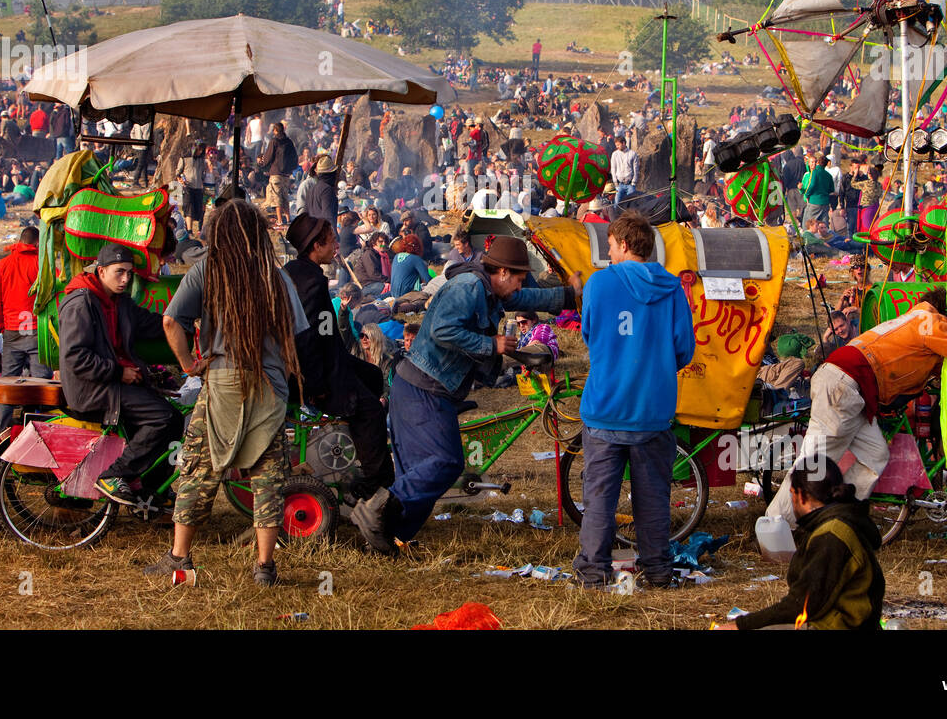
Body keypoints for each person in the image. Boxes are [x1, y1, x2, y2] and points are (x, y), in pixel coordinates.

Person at [351, 236, 582, 555]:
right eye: (516, 278)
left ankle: (383, 538)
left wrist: (570, 295)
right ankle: (374, 511)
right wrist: (492, 345)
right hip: (424, 388)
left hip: (422, 387)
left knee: (421, 479)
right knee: (445, 463)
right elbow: (443, 331)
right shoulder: (469, 287)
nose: (518, 286)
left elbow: (527, 296)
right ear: (501, 272)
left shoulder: (489, 290)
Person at [765, 286, 947, 527]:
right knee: (815, 463)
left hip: (850, 387)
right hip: (844, 384)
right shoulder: (931, 321)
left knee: (875, 454)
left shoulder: (914, 320)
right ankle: (776, 525)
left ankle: (834, 516)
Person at [149, 201, 306, 586]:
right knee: (268, 477)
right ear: (257, 234)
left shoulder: (206, 270)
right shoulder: (276, 277)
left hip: (221, 380)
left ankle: (179, 558)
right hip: (270, 385)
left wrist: (188, 364)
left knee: (200, 469)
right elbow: (297, 334)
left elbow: (171, 320)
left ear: (218, 232)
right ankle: (264, 567)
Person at [572, 212, 694, 588]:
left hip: (605, 408)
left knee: (600, 499)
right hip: (653, 412)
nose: (608, 252)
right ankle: (657, 571)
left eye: (610, 245)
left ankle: (594, 571)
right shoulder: (672, 288)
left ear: (624, 244)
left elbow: (590, 335)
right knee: (654, 499)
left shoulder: (598, 284)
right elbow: (684, 350)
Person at [58, 243, 178, 507]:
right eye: (119, 272)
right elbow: (76, 357)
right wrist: (118, 372)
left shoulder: (118, 301)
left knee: (175, 419)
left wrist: (182, 325)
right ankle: (115, 475)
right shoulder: (80, 303)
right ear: (101, 271)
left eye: (129, 274)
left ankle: (149, 492)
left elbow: (149, 323)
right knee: (163, 416)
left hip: (113, 383)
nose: (125, 279)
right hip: (92, 388)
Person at [284, 214, 393, 501]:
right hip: (314, 370)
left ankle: (356, 447)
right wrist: (316, 386)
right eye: (331, 241)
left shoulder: (297, 271)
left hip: (330, 358)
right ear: (315, 245)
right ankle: (374, 482)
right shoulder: (310, 282)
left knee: (374, 376)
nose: (336, 246)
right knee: (370, 410)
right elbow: (306, 336)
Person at [717, 458, 884, 630]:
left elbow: (799, 606)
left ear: (801, 495)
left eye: (792, 494)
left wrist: (740, 625)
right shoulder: (837, 524)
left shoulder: (832, 536)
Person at [0, 226, 49, 432]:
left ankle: (1, 429)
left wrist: (1, 325)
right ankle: (35, 429)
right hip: (36, 330)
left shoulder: (3, 264)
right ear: (37, 244)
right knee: (40, 384)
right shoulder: (42, 265)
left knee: (8, 381)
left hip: (13, 329)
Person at [257, 122, 298, 226]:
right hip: (286, 175)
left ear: (275, 130)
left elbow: (268, 157)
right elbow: (294, 157)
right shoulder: (289, 142)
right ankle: (288, 219)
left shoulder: (274, 141)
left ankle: (280, 221)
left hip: (276, 173)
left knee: (277, 197)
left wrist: (262, 163)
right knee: (285, 196)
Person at [800, 153, 834, 228]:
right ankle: (825, 238)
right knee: (824, 224)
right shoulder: (828, 175)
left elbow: (812, 185)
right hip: (825, 202)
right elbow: (831, 189)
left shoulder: (815, 172)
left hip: (814, 201)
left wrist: (807, 195)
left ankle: (807, 238)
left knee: (809, 223)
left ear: (818, 162)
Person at [610, 135, 638, 204]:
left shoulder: (632, 154)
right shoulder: (614, 154)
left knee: (631, 204)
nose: (617, 147)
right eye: (616, 145)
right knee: (617, 204)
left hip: (630, 184)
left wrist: (633, 182)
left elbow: (636, 169)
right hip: (619, 185)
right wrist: (615, 182)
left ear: (623, 143)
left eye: (618, 145)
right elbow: (613, 168)